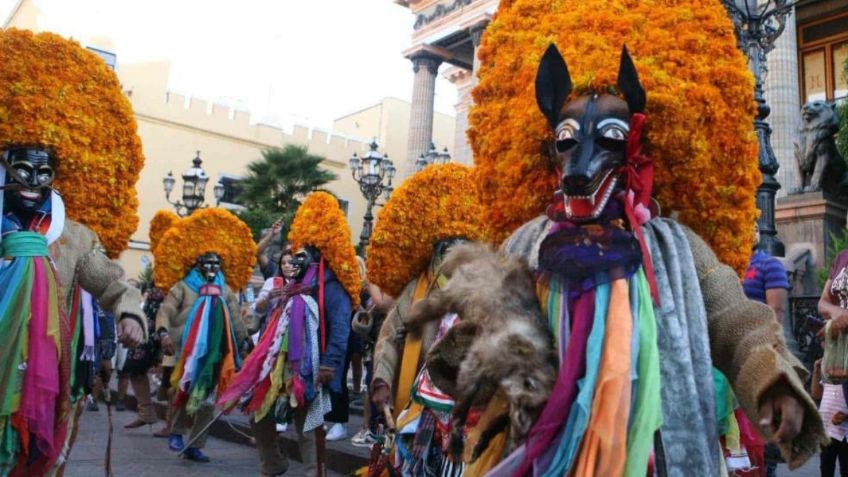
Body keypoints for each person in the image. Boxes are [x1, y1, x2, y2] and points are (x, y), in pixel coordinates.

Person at [0, 28, 146, 475]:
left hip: (48, 382)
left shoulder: (76, 237)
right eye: (22, 168)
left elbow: (112, 283)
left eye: (44, 172)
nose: (33, 181)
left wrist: (129, 314)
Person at [219, 191, 358, 477]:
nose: (303, 253)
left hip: (310, 365)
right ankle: (273, 462)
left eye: (312, 248)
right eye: (302, 247)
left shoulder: (332, 285)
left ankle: (312, 471)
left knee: (307, 423)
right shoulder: (287, 281)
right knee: (258, 413)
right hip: (274, 363)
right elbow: (271, 318)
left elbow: (341, 328)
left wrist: (330, 363)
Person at [364, 164, 490, 475]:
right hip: (416, 407)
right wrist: (381, 380)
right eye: (449, 247)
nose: (455, 255)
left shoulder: (489, 292)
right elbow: (393, 336)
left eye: (464, 246)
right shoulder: (415, 290)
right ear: (435, 251)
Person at [153, 208, 253, 463]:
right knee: (183, 393)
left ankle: (196, 444)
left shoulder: (225, 290)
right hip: (183, 351)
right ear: (197, 264)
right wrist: (163, 332)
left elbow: (235, 320)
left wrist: (245, 342)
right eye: (207, 262)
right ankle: (176, 432)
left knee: (207, 402)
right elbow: (165, 310)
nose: (212, 267)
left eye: (216, 263)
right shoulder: (183, 287)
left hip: (214, 352)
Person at [743, 223, 791, 477]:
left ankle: (766, 469)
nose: (753, 231)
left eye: (756, 227)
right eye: (748, 225)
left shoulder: (768, 265)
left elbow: (776, 312)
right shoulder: (724, 262)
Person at [812, 358, 848, 477]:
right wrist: (816, 371)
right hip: (827, 431)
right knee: (826, 468)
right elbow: (816, 394)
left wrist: (845, 416)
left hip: (846, 434)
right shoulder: (829, 376)